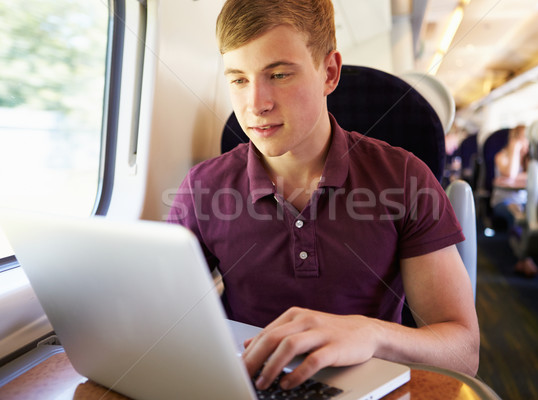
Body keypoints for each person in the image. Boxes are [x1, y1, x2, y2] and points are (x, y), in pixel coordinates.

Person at [168, 0, 479, 391]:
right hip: (249, 385)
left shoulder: (403, 177)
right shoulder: (202, 187)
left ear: (329, 72)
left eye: (278, 74)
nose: (256, 104)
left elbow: (464, 352)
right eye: (238, 79)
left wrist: (370, 334)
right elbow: (162, 315)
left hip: (371, 385)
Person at [490, 125, 538, 276]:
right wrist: (515, 149)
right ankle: (523, 258)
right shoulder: (501, 156)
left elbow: (536, 177)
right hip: (503, 201)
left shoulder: (529, 159)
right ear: (515, 139)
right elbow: (510, 174)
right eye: (523, 139)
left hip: (523, 201)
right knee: (517, 215)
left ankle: (531, 254)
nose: (526, 143)